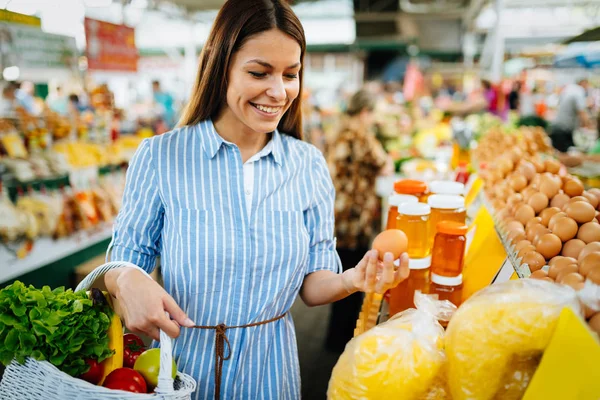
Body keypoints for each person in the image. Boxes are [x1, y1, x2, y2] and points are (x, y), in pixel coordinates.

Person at [104, 1, 410, 399]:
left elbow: (313, 285)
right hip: (179, 376)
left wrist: (353, 279)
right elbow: (123, 260)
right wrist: (124, 277)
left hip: (272, 376)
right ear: (221, 66)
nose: (279, 92)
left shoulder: (308, 164)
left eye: (291, 74)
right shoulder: (162, 156)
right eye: (258, 72)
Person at [324, 89, 394, 353]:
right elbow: (383, 163)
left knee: (339, 277)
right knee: (353, 283)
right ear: (365, 112)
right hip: (354, 218)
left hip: (338, 213)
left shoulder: (337, 130)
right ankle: (343, 343)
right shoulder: (360, 136)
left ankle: (334, 338)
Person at [549, 79, 591, 152]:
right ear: (583, 83)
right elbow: (581, 112)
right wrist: (587, 126)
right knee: (566, 155)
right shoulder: (579, 91)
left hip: (557, 127)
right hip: (563, 130)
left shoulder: (569, 89)